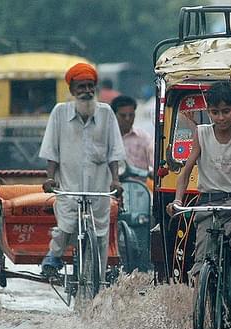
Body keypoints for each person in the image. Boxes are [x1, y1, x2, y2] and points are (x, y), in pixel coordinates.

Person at [166, 81, 231, 314]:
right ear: (208, 111)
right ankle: (199, 314)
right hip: (209, 204)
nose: (220, 117)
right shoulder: (201, 134)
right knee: (201, 264)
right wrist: (178, 201)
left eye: (225, 111)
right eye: (214, 112)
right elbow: (185, 174)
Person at [39, 62, 126, 279]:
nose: (87, 91)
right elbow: (52, 151)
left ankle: (98, 279)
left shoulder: (106, 113)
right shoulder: (59, 113)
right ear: (72, 90)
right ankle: (53, 256)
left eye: (90, 86)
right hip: (69, 186)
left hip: (98, 187)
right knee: (66, 226)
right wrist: (50, 178)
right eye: (81, 87)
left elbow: (114, 151)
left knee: (100, 235)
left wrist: (115, 180)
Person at [110, 95, 154, 177]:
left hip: (139, 187)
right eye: (123, 116)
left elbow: (154, 161)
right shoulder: (107, 138)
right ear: (113, 115)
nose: (127, 119)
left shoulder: (144, 138)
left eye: (131, 115)